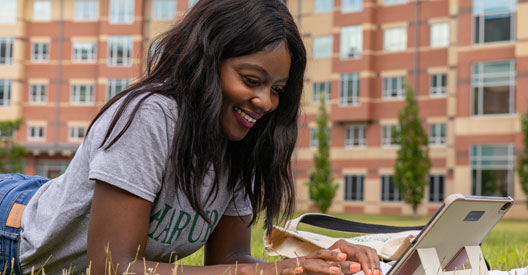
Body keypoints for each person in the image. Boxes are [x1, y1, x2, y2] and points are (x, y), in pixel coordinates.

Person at [0, 1, 382, 274]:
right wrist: (280, 271)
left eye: (278, 88)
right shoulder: (152, 116)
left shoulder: (241, 141)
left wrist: (318, 263)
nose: (266, 101)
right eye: (251, 80)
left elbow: (230, 260)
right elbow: (111, 266)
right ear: (206, 61)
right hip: (13, 235)